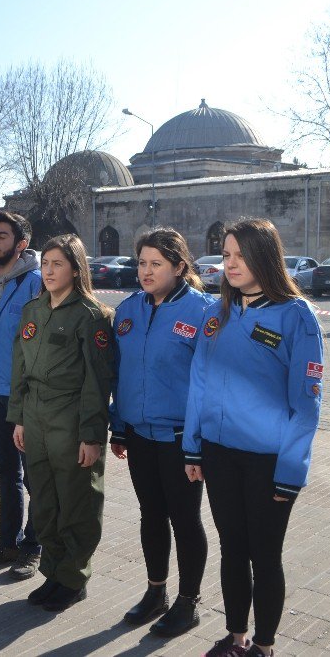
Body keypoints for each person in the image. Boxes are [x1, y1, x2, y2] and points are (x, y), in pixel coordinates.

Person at [183, 218, 323, 657]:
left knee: (264, 556)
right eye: (226, 255)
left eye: (241, 255)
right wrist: (193, 445)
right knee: (232, 548)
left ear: (266, 256)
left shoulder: (296, 317)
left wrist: (290, 471)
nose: (231, 264)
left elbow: (307, 404)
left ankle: (263, 646)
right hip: (220, 454)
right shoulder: (215, 314)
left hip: (268, 463)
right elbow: (199, 384)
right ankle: (237, 636)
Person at [108, 227, 213, 636]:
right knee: (151, 515)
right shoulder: (129, 309)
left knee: (185, 519)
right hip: (138, 434)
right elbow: (119, 373)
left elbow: (209, 382)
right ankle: (156, 592)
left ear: (180, 267)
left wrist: (198, 445)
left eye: (156, 264)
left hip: (180, 439)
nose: (146, 272)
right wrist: (118, 428)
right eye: (141, 263)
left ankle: (188, 602)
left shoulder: (203, 311)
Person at [9, 234, 114, 613]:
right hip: (35, 420)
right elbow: (19, 367)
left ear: (75, 268)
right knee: (44, 502)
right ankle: (54, 572)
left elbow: (96, 382)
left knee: (77, 502)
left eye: (58, 264)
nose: (49, 271)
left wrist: (91, 436)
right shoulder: (32, 310)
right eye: (46, 264)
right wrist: (18, 418)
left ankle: (74, 578)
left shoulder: (91, 316)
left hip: (71, 419)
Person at [0, 211, 43, 580]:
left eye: (3, 235)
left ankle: (35, 546)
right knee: (6, 474)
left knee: (34, 477)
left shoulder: (35, 283)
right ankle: (9, 541)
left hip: (27, 396)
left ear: (21, 245)